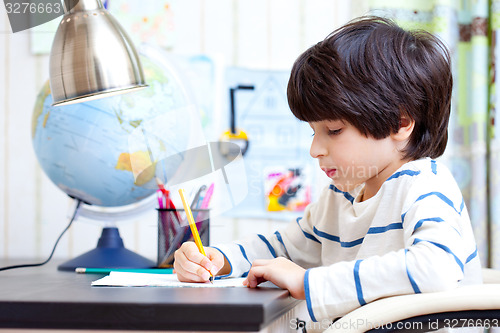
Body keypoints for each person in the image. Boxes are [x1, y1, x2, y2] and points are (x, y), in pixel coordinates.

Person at [173, 16, 482, 322]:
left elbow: (435, 267)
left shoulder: (425, 185)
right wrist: (218, 259)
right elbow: (283, 248)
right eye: (313, 132)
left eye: (333, 130)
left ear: (400, 123)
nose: (315, 149)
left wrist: (308, 284)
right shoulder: (340, 197)